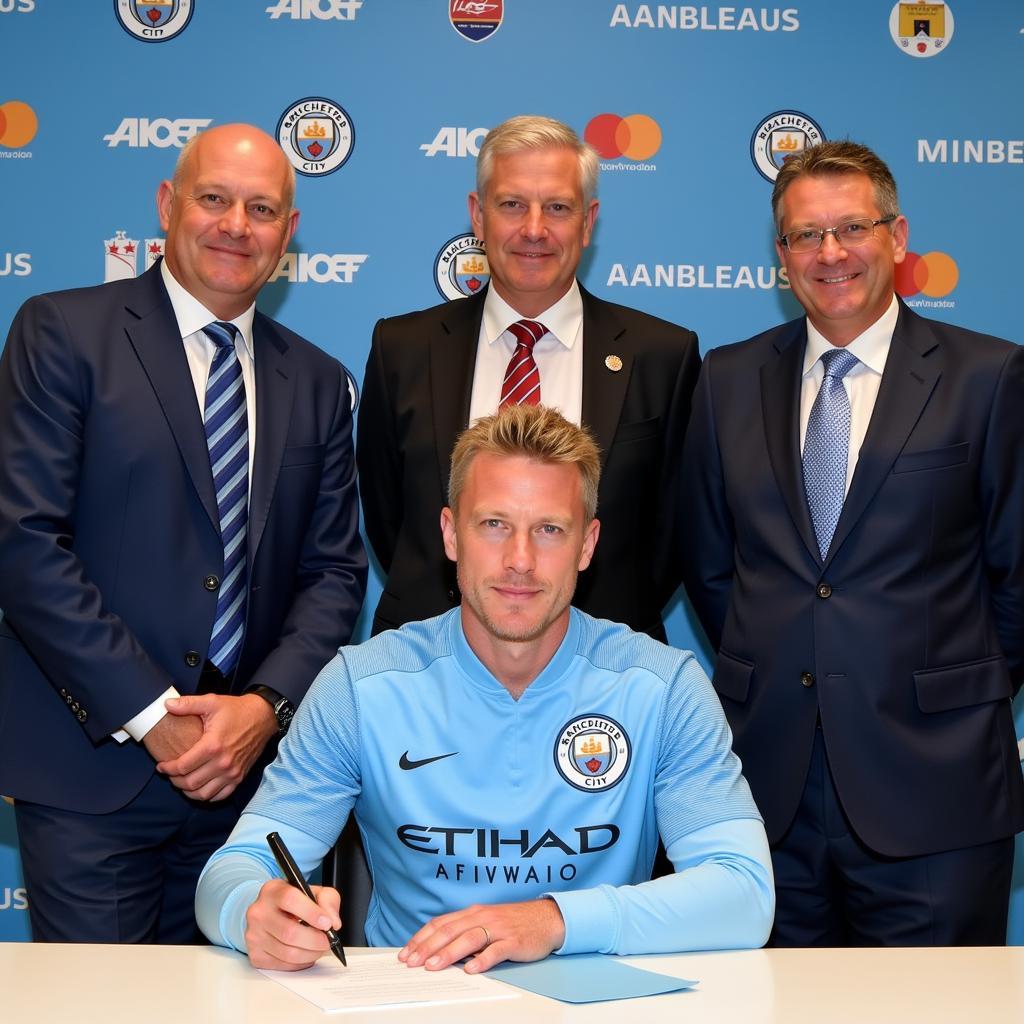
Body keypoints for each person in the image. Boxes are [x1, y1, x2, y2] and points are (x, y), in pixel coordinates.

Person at [196, 404, 773, 972]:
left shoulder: (662, 687)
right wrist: (253, 912)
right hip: (413, 1005)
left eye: (549, 529)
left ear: (588, 545)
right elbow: (235, 869)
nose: (519, 561)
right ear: (451, 534)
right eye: (494, 525)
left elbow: (745, 894)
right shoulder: (361, 686)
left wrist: (552, 921)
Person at [0, 124, 367, 943]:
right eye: (214, 198)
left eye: (263, 207)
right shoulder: (64, 333)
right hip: (95, 775)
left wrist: (263, 709)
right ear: (168, 206)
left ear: (289, 232)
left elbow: (336, 574)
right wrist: (152, 712)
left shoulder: (316, 379)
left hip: (249, 791)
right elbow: (23, 543)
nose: (237, 224)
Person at [680, 140, 1024, 946]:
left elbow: (1017, 577)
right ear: (781, 256)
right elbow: (711, 567)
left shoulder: (989, 377)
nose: (830, 253)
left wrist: (948, 689)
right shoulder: (727, 380)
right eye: (806, 235)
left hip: (934, 793)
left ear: (898, 237)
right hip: (770, 794)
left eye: (852, 228)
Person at [357, 115, 700, 640]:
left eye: (558, 208)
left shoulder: (663, 356)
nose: (534, 229)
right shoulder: (401, 349)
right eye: (512, 204)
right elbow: (389, 520)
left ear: (588, 222)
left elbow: (674, 536)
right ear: (478, 215)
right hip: (425, 662)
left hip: (610, 664)